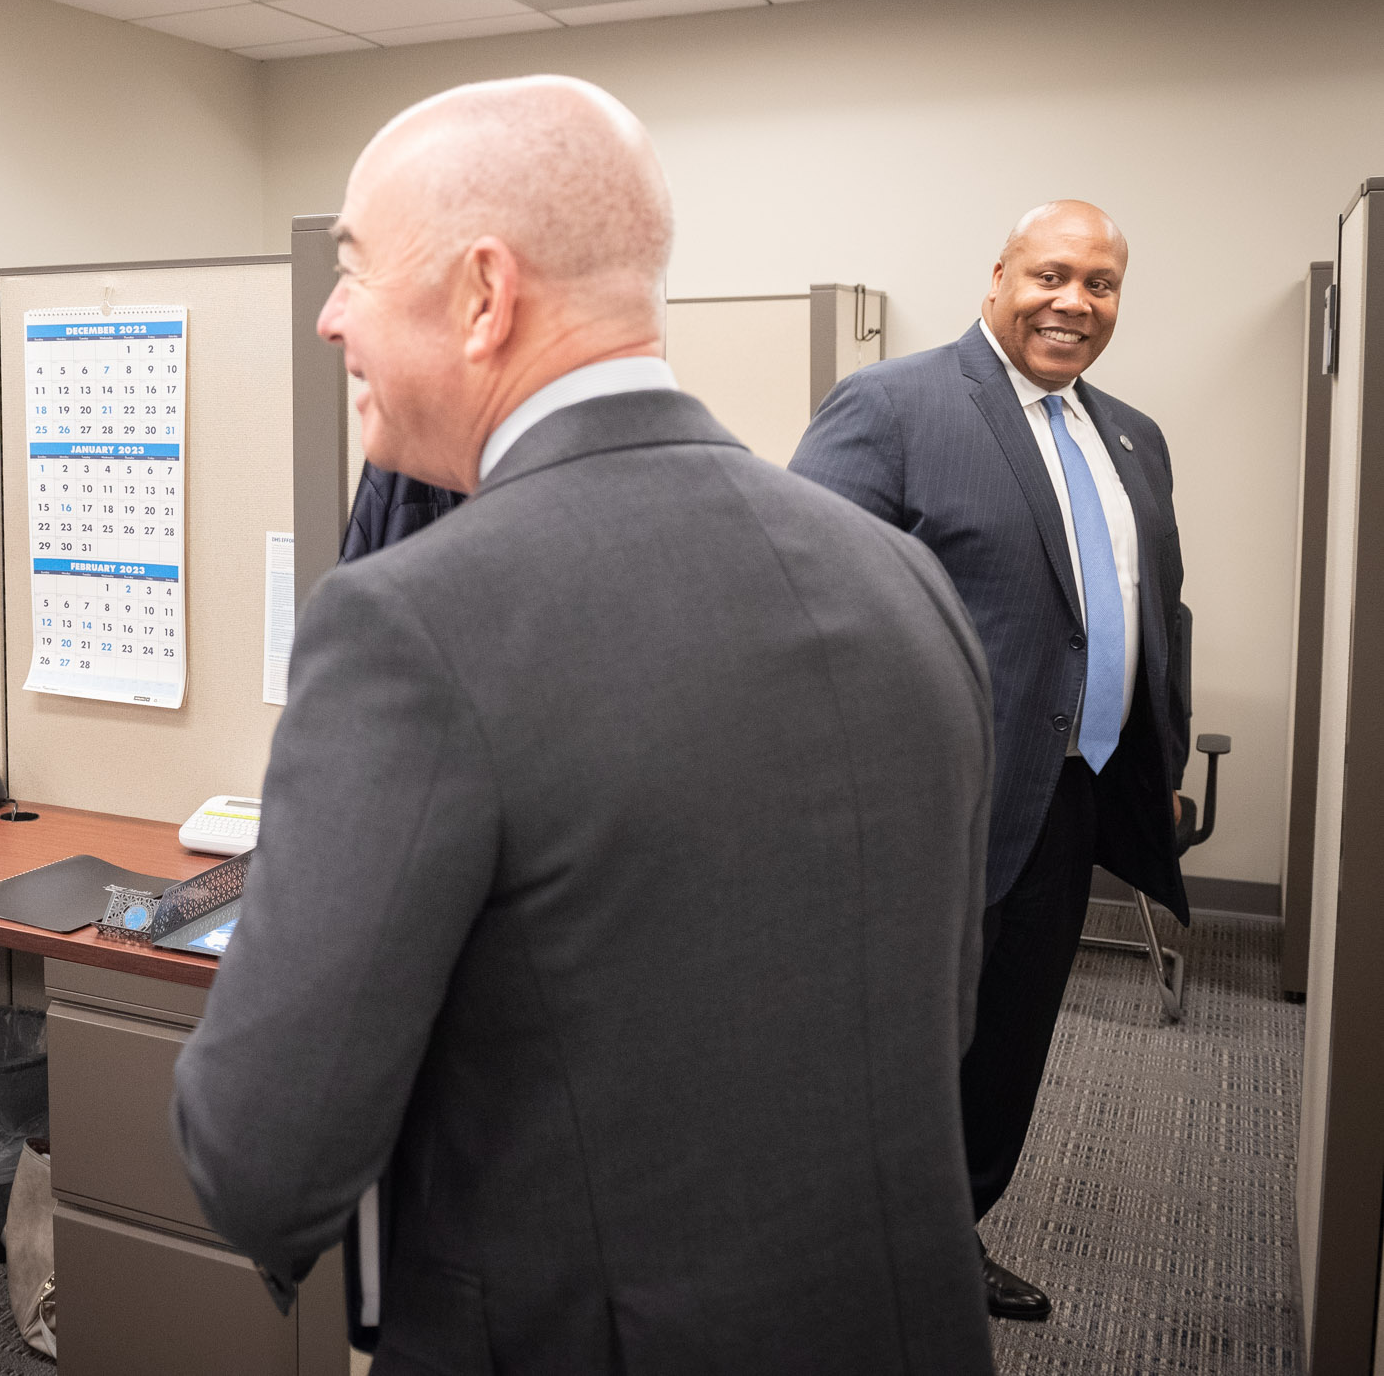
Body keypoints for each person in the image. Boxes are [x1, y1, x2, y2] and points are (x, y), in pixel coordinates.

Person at [171, 76, 996, 1375]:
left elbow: (263, 1157)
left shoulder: (415, 623)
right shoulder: (901, 576)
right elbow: (926, 1016)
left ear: (483, 296)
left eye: (354, 272)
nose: (330, 319)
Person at [790, 201, 1191, 1322]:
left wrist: (1155, 745)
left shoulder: (1131, 436)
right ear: (1000, 273)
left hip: (1068, 797)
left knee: (1006, 1047)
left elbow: (1157, 605)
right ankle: (829, 1262)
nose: (1074, 303)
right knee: (896, 1049)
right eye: (1052, 275)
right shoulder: (895, 405)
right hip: (925, 808)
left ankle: (940, 1240)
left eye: (1100, 284)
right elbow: (801, 608)